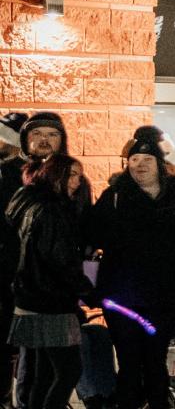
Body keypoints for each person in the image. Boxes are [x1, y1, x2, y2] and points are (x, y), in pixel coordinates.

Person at [85, 133, 175, 409]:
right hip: (124, 300)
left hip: (164, 298)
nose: (139, 165)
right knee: (130, 361)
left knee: (155, 360)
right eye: (134, 159)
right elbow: (93, 235)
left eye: (146, 159)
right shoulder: (116, 196)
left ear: (159, 163)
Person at [8, 153, 90, 409]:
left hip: (29, 297)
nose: (79, 180)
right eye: (74, 174)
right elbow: (59, 260)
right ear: (59, 175)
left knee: (43, 372)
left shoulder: (29, 201)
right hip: (51, 301)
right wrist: (86, 290)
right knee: (68, 371)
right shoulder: (54, 210)